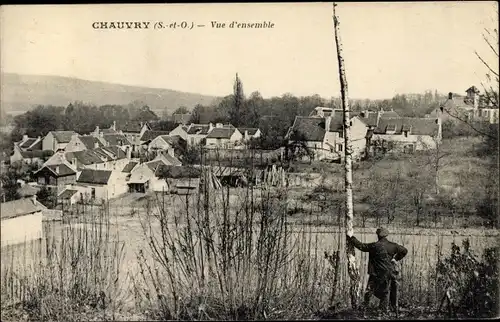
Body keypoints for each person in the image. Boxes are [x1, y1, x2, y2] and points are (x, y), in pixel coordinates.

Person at [346, 227, 408, 314]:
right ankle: (383, 310)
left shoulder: (374, 246)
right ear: (386, 235)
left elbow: (361, 246)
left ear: (378, 235)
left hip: (375, 273)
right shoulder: (393, 246)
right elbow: (404, 250)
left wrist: (351, 238)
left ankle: (365, 308)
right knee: (385, 291)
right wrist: (396, 258)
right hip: (388, 272)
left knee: (370, 290)